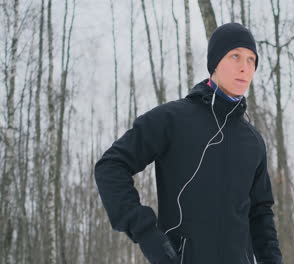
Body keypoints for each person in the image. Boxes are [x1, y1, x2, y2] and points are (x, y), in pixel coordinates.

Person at [95, 22, 283, 264]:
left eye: (251, 60)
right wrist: (146, 232)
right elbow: (111, 166)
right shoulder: (173, 119)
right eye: (235, 56)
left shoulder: (253, 141)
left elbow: (261, 215)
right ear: (215, 61)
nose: (244, 67)